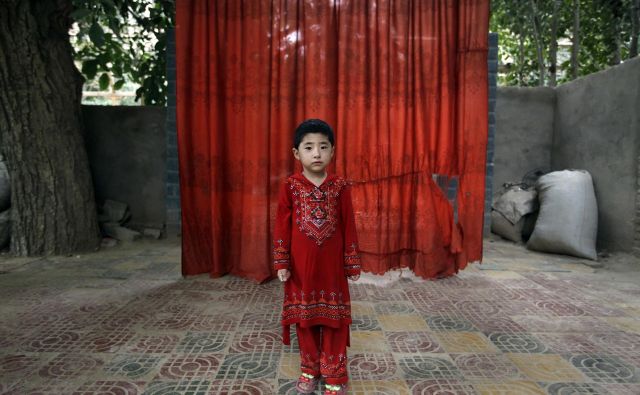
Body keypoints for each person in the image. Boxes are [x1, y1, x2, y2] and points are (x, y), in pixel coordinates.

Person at [273, 119, 361, 395]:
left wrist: (352, 262)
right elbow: (281, 226)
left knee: (335, 322)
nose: (317, 153)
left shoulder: (341, 186)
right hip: (301, 271)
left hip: (332, 271)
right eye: (309, 147)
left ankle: (335, 374)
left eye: (323, 147)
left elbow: (349, 225)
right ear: (296, 154)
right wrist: (281, 262)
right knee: (305, 320)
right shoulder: (290, 186)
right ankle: (309, 370)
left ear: (332, 152)